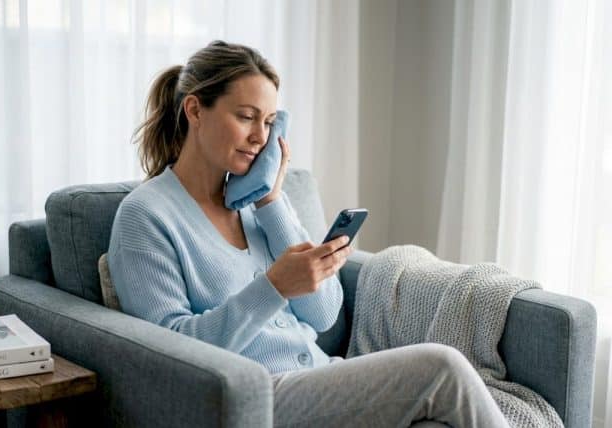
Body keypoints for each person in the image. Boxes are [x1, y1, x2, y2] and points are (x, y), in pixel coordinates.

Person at [107, 40, 508, 428]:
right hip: (254, 399)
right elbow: (171, 355)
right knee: (442, 367)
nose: (260, 138)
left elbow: (323, 314)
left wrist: (270, 201)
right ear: (195, 110)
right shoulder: (145, 216)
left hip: (318, 377)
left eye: (268, 123)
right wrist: (273, 287)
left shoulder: (255, 206)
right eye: (246, 117)